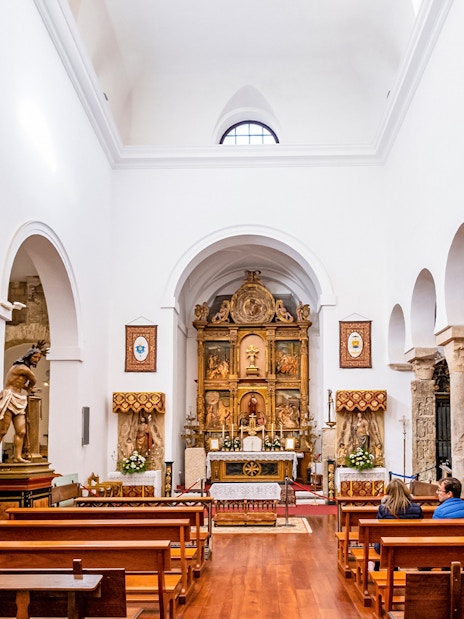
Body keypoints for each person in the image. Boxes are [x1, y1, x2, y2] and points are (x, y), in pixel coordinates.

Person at [0, 343, 46, 463]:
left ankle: (17, 457)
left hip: (19, 399)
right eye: (35, 357)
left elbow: (19, 384)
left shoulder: (25, 369)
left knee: (21, 431)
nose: (37, 360)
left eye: (39, 358)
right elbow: (34, 379)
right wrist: (30, 387)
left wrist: (27, 389)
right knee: (2, 431)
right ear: (29, 356)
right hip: (9, 397)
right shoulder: (21, 367)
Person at [372, 479, 423, 569]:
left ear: (388, 493)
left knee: (379, 543)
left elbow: (378, 529)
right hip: (410, 546)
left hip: (387, 547)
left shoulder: (383, 509)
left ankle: (379, 567)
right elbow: (421, 529)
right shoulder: (416, 508)